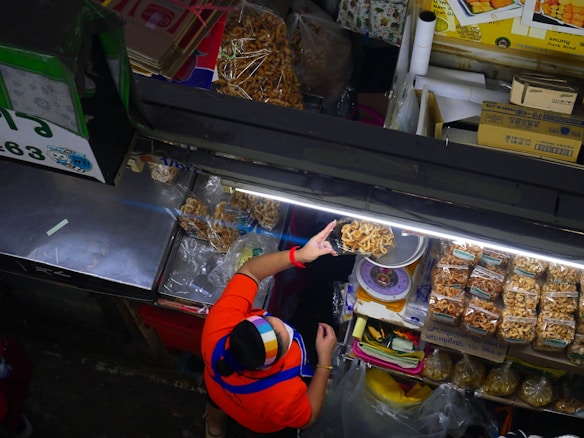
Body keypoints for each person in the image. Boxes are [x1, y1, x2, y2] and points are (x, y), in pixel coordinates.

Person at [201, 220, 339, 438]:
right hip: (258, 420)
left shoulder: (219, 324)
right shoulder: (283, 397)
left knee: (216, 400)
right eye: (286, 335)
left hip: (218, 387)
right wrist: (324, 362)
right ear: (268, 368)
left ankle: (214, 430)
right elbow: (309, 417)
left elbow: (250, 271)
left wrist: (300, 255)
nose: (282, 323)